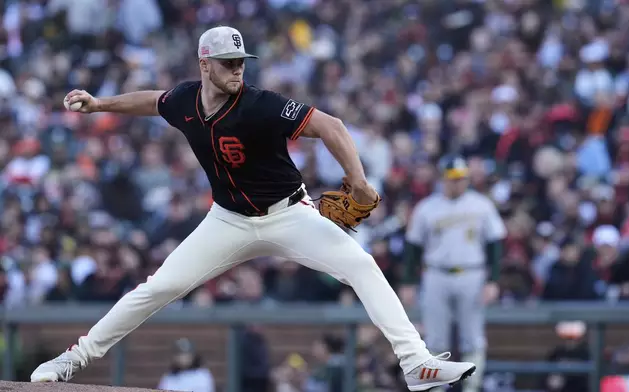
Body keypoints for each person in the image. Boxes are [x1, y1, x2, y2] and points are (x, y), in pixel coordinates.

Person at [29, 26, 475, 391]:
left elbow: (331, 126)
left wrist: (357, 182)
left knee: (361, 265)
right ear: (205, 64)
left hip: (290, 214)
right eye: (227, 63)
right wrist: (101, 104)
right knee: (157, 288)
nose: (237, 69)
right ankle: (73, 360)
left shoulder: (262, 105)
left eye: (241, 62)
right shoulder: (186, 99)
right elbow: (154, 101)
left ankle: (416, 362)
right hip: (227, 221)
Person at [399, 155, 507, 392]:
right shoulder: (427, 207)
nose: (456, 183)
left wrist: (493, 280)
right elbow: (413, 248)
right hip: (436, 274)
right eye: (452, 179)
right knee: (435, 339)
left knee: (473, 337)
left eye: (461, 179)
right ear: (443, 180)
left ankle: (471, 387)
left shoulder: (481, 205)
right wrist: (408, 282)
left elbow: (495, 244)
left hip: (472, 273)